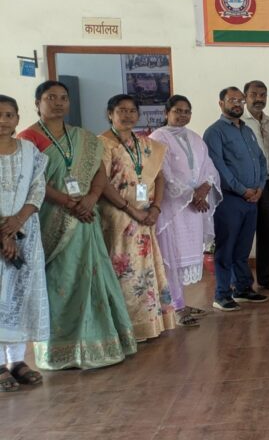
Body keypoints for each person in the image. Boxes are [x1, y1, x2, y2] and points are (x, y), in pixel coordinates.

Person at [18, 81, 136, 369]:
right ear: (37, 103)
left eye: (63, 98)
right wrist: (69, 203)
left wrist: (92, 198)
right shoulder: (27, 139)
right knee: (60, 280)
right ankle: (61, 350)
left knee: (92, 276)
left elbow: (100, 173)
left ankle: (101, 343)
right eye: (51, 98)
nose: (58, 102)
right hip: (51, 219)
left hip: (86, 218)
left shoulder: (84, 138)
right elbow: (34, 181)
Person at [96, 95, 175, 340]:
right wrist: (132, 210)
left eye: (132, 111)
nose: (128, 115)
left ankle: (149, 325)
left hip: (145, 217)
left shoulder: (145, 144)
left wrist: (156, 208)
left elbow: (159, 177)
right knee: (123, 272)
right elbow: (102, 183)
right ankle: (125, 329)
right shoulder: (101, 143)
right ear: (110, 114)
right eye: (122, 110)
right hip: (117, 217)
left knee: (145, 271)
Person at [149, 96, 222, 328]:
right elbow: (164, 174)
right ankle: (174, 309)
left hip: (193, 210)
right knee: (170, 258)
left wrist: (204, 189)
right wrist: (192, 195)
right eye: (177, 111)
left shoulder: (195, 138)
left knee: (182, 258)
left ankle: (181, 303)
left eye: (187, 111)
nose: (182, 115)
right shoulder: (158, 137)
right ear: (166, 112)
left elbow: (209, 168)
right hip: (172, 209)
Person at [203, 87, 269, 311]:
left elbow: (261, 160)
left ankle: (243, 288)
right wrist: (242, 190)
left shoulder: (247, 130)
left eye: (240, 100)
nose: (237, 104)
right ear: (221, 103)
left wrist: (260, 187)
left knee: (243, 248)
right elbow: (218, 167)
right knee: (226, 248)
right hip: (230, 200)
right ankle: (222, 294)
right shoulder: (215, 132)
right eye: (232, 100)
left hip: (252, 199)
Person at [0, 95, 49, 391]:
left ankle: (16, 361)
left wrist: (18, 222)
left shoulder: (30, 151)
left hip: (26, 231)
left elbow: (37, 189)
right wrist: (3, 234)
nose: (3, 121)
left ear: (18, 119)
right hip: (1, 233)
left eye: (9, 115)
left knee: (21, 295)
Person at [242, 80, 269, 291]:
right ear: (245, 97)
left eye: (263, 95)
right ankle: (242, 281)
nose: (259, 99)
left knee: (267, 231)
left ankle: (266, 278)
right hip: (247, 186)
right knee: (244, 234)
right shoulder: (239, 122)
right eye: (254, 95)